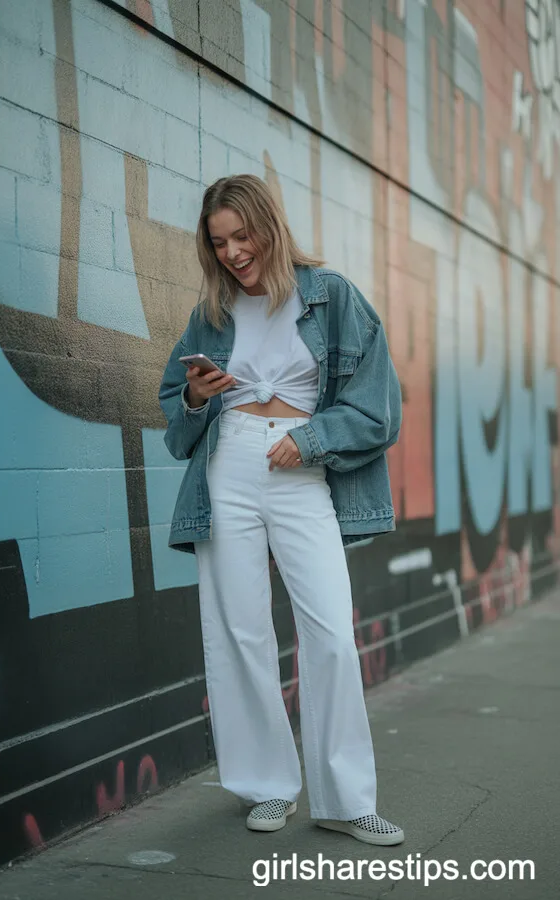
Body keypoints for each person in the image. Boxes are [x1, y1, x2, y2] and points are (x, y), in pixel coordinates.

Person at [159, 174, 404, 845]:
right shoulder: (210, 311)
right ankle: (267, 786)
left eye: (243, 235)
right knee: (238, 634)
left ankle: (345, 799)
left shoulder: (333, 297)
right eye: (220, 242)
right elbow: (175, 423)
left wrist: (311, 438)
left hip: (300, 471)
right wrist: (198, 397)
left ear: (270, 225)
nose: (234, 252)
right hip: (227, 469)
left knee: (328, 631)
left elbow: (380, 408)